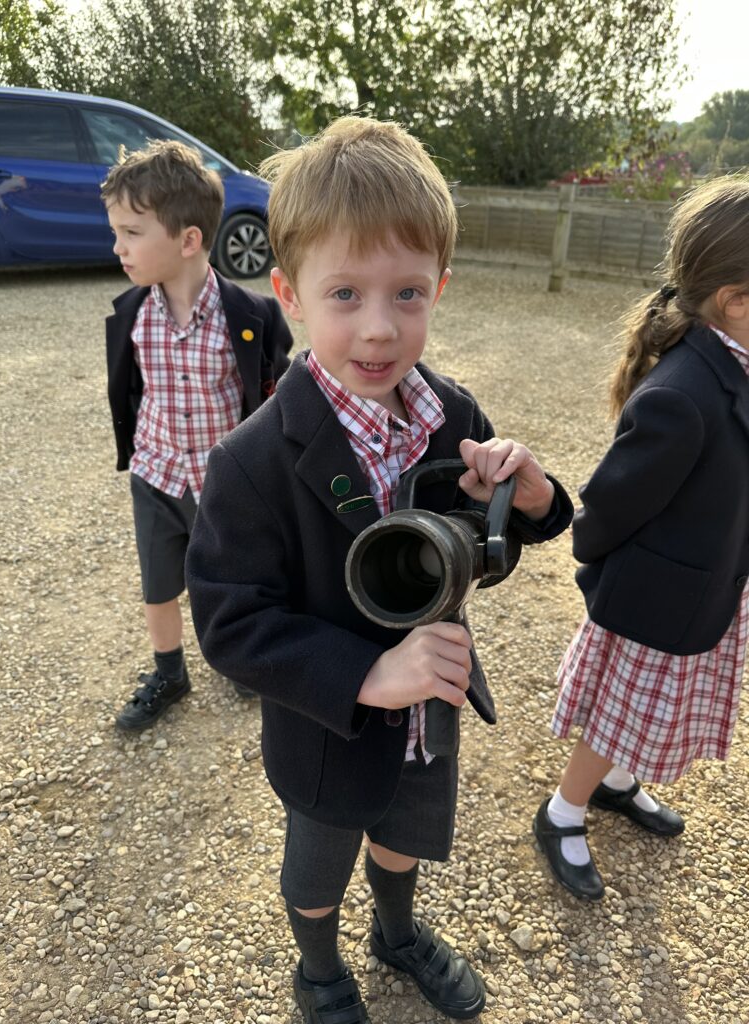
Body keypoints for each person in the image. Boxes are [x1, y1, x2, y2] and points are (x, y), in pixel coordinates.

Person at [186, 117, 573, 1024]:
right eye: (346, 293)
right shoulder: (251, 461)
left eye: (407, 294)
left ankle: (396, 934)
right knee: (317, 865)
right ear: (288, 293)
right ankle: (317, 969)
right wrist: (366, 673)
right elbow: (231, 624)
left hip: (433, 702)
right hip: (329, 729)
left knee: (404, 836)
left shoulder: (450, 416)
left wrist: (528, 497)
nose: (379, 327)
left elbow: (496, 545)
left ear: (439, 287)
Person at [533, 175, 749, 901]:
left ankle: (618, 780)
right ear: (735, 302)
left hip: (701, 584)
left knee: (649, 710)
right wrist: (594, 560)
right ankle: (564, 810)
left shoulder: (735, 363)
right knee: (622, 708)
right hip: (653, 599)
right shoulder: (682, 398)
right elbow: (609, 504)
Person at [102, 139, 292, 732]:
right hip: (157, 472)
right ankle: (169, 671)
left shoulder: (252, 317)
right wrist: (135, 450)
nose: (118, 247)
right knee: (159, 581)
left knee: (234, 575)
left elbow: (272, 392)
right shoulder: (130, 315)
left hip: (223, 482)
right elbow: (131, 390)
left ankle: (236, 652)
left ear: (188, 240)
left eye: (132, 232)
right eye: (116, 231)